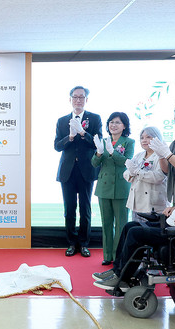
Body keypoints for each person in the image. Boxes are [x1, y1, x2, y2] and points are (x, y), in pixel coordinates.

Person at [94, 137, 175, 290]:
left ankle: (122, 278)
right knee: (130, 226)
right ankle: (117, 270)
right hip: (173, 224)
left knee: (136, 233)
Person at [54, 85, 103, 257]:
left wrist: (83, 133)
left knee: (85, 208)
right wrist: (70, 137)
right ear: (70, 99)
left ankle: (83, 243)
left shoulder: (94, 118)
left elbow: (98, 143)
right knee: (69, 209)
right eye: (75, 97)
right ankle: (71, 243)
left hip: (86, 170)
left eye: (81, 97)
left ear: (86, 100)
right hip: (67, 170)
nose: (78, 100)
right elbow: (57, 146)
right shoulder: (62, 120)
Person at [91, 112, 134, 265]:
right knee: (106, 223)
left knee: (121, 224)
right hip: (104, 187)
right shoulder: (103, 141)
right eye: (111, 122)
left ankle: (118, 256)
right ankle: (107, 256)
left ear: (124, 126)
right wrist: (99, 152)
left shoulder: (129, 142)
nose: (113, 125)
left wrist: (112, 152)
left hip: (121, 188)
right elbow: (94, 163)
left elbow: (126, 162)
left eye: (117, 122)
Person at [123, 127, 168, 224]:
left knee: (150, 231)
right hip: (137, 203)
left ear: (157, 138)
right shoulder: (139, 155)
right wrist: (132, 172)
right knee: (135, 229)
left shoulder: (162, 156)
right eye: (142, 138)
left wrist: (137, 172)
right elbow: (126, 174)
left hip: (153, 204)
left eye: (148, 137)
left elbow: (159, 177)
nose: (144, 140)